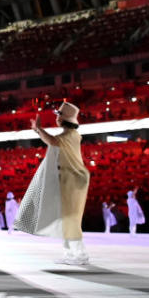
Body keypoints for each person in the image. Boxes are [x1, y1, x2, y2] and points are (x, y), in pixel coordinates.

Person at [24, 103, 91, 263]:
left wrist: (39, 129)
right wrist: (38, 130)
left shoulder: (70, 135)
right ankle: (70, 253)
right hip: (69, 178)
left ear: (63, 119)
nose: (56, 118)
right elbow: (53, 141)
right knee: (66, 217)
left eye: (58, 115)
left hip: (72, 179)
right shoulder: (70, 134)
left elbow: (52, 141)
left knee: (70, 217)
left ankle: (80, 254)